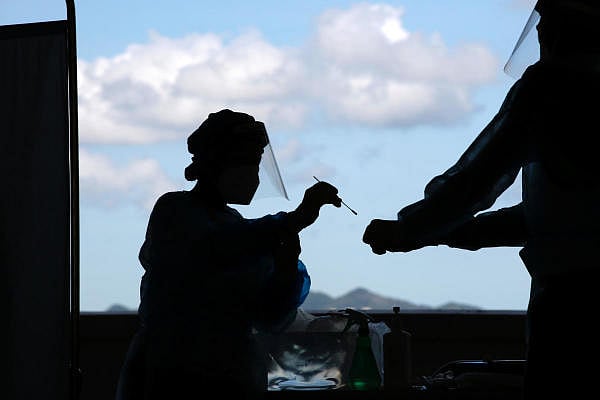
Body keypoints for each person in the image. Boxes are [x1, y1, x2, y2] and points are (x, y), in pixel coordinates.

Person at [362, 1, 600, 398]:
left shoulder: (551, 86)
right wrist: (443, 232)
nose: (539, 32)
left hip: (572, 306)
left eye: (545, 22)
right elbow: (554, 216)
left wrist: (412, 229)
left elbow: (475, 180)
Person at [115, 109, 342, 400]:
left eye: (257, 165)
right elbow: (216, 248)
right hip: (172, 375)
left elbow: (269, 317)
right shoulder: (175, 211)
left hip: (232, 375)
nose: (255, 176)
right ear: (218, 163)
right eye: (247, 164)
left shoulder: (236, 224)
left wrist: (285, 270)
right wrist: (294, 219)